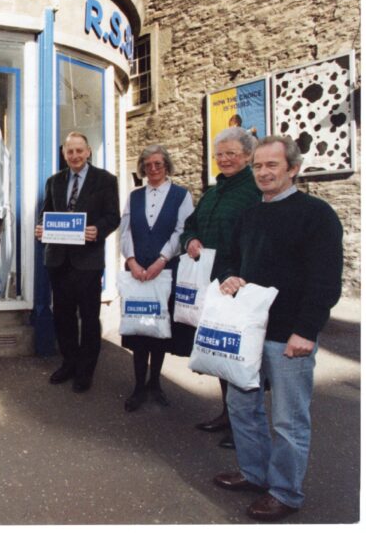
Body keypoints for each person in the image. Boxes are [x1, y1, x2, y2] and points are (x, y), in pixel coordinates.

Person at [213, 135, 342, 522]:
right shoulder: (249, 214)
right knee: (242, 407)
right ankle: (254, 473)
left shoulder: (317, 215)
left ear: (293, 169)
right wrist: (229, 277)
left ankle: (285, 492)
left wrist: (306, 330)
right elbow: (228, 259)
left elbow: (325, 280)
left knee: (288, 420)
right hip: (248, 333)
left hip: (289, 337)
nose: (264, 172)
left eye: (272, 165)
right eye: (258, 166)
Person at [180, 126, 261, 448]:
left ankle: (244, 428)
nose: (224, 160)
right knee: (223, 354)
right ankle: (228, 415)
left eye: (231, 154)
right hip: (212, 285)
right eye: (220, 155)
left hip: (241, 285)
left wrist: (243, 277)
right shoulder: (213, 192)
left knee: (243, 359)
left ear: (247, 155)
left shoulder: (254, 191)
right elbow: (191, 226)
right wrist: (191, 240)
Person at [35, 131, 120, 392]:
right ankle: (69, 362)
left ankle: (86, 370)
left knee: (89, 317)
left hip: (88, 261)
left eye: (79, 151)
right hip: (59, 260)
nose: (75, 156)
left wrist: (98, 230)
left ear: (88, 151)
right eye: (70, 151)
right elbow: (46, 213)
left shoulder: (105, 180)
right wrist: (41, 228)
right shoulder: (53, 181)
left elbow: (113, 216)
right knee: (63, 316)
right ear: (64, 154)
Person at [119, 145, 194, 411]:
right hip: (137, 271)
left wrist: (162, 259)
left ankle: (155, 383)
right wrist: (131, 261)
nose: (152, 169)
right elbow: (125, 230)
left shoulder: (181, 195)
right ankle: (139, 386)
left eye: (158, 164)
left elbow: (182, 231)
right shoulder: (134, 195)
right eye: (147, 165)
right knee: (139, 327)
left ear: (166, 166)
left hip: (165, 271)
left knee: (160, 328)